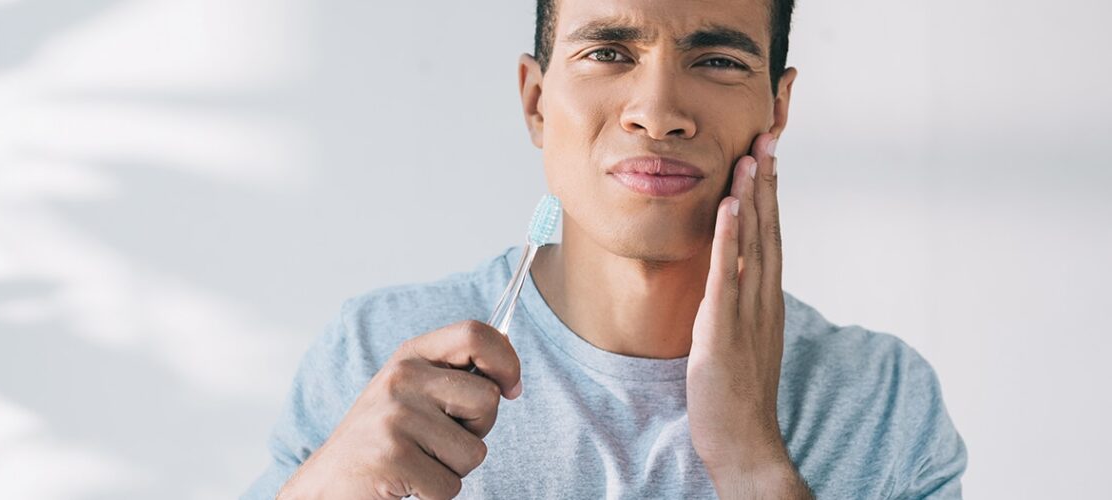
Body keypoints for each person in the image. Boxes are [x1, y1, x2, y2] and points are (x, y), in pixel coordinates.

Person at [245, 0, 968, 497]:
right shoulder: (376, 355)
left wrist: (754, 466)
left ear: (777, 109)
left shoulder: (878, 400)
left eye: (716, 60)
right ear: (534, 102)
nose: (656, 113)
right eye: (608, 51)